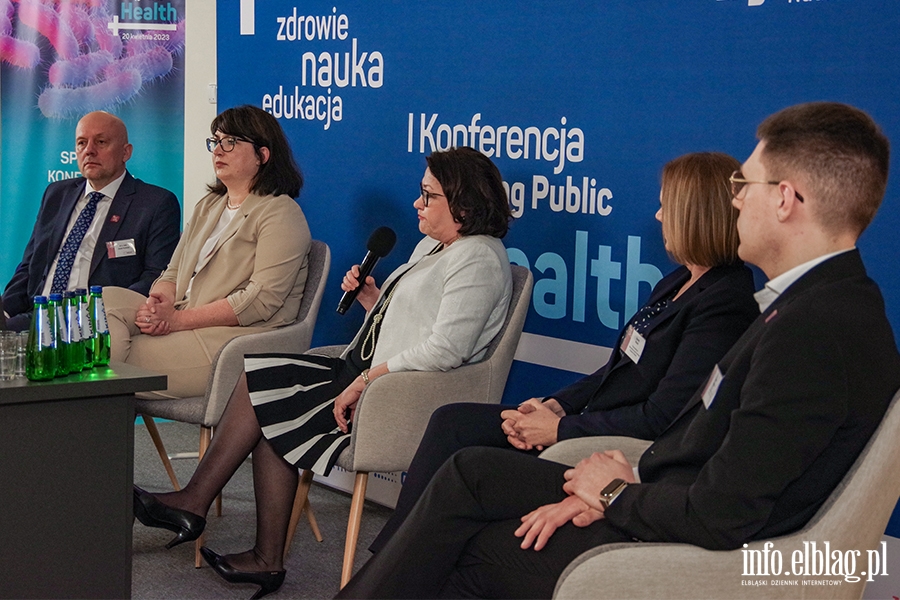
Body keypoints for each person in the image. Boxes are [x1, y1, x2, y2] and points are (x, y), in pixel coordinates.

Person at [336, 102, 900, 600]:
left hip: (712, 556)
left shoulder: (815, 331)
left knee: (474, 546)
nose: (734, 204)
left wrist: (610, 492)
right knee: (470, 474)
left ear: (785, 200)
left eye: (743, 187)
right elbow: (709, 441)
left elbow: (724, 513)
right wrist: (624, 474)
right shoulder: (813, 305)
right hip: (666, 496)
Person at [133, 146, 514, 598]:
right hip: (363, 370)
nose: (417, 203)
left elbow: (447, 350)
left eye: (428, 196)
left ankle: (209, 516)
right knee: (262, 386)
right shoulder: (434, 245)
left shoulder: (480, 260)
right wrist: (375, 300)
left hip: (394, 391)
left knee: (265, 391)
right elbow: (415, 324)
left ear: (465, 206)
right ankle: (256, 552)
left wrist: (367, 380)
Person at [370, 151, 759, 553]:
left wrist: (559, 430)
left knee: (469, 467)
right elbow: (616, 370)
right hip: (586, 422)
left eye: (666, 206)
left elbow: (663, 417)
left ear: (696, 214)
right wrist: (555, 405)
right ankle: (393, 551)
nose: (658, 217)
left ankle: (395, 558)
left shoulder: (724, 303)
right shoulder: (679, 280)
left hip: (614, 449)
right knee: (454, 421)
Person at [104, 105, 310, 399]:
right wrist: (158, 302)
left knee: (103, 360)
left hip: (230, 341)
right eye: (216, 141)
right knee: (102, 301)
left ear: (262, 155)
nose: (218, 151)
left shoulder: (280, 213)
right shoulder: (209, 206)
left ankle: (96, 426)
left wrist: (176, 321)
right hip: (184, 319)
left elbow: (261, 300)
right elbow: (173, 271)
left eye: (231, 142)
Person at [1, 111, 180, 331]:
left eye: (101, 142)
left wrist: (97, 312)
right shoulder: (56, 194)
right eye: (82, 143)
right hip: (38, 315)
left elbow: (155, 277)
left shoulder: (155, 203)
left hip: (94, 322)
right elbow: (30, 267)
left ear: (126, 152)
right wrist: (5, 311)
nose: (89, 151)